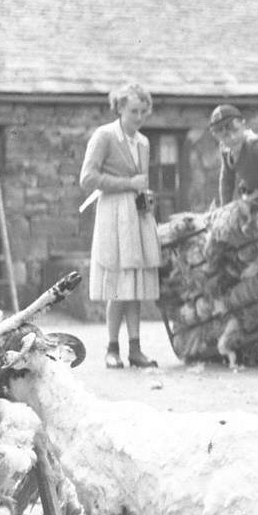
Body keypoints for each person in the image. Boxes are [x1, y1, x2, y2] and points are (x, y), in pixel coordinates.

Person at [79, 82, 161, 369]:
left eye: (143, 111)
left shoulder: (143, 142)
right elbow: (87, 178)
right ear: (119, 109)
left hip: (136, 216)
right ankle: (111, 348)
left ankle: (135, 349)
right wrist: (127, 184)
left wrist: (144, 195)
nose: (138, 117)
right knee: (116, 283)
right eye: (133, 111)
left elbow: (142, 180)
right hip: (113, 214)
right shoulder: (104, 136)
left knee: (134, 284)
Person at [208, 104, 258, 206]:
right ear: (217, 137)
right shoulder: (226, 150)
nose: (232, 138)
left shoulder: (254, 145)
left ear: (243, 125)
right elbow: (227, 181)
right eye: (225, 136)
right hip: (255, 195)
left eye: (236, 130)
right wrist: (224, 207)